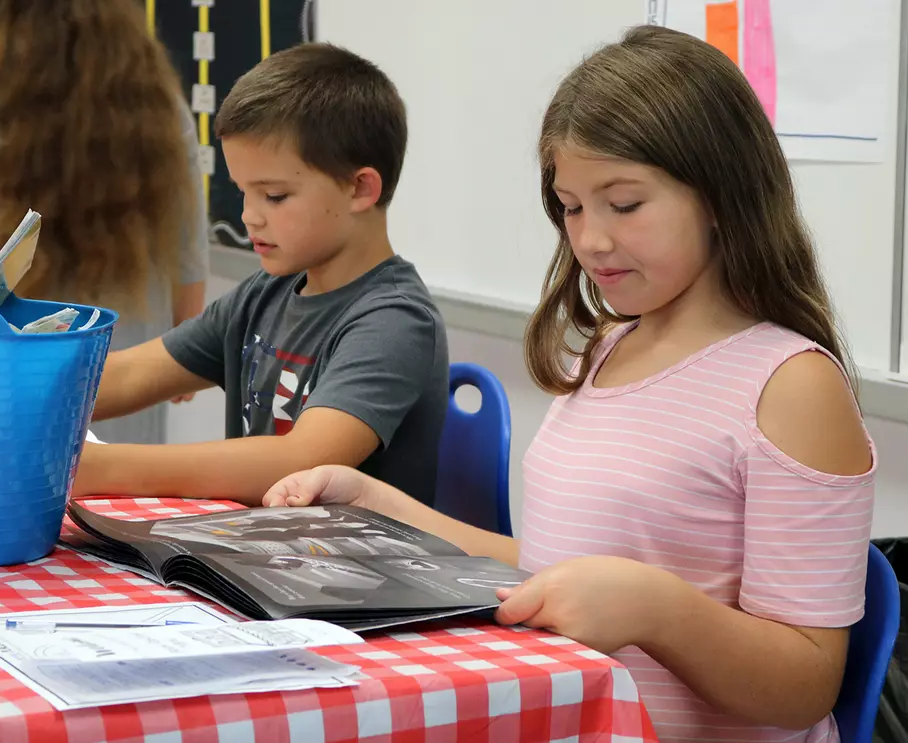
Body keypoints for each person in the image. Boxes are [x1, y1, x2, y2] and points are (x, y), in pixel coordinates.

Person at [263, 26, 875, 743]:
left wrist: (654, 607)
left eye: (625, 204)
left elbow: (804, 684)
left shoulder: (791, 383)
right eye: (572, 206)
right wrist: (373, 502)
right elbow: (546, 568)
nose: (590, 240)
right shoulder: (609, 348)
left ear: (719, 194)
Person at [74, 43, 449, 507]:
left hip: (346, 573)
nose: (250, 217)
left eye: (273, 196)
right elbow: (129, 376)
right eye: (243, 193)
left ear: (360, 188)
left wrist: (98, 468)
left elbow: (300, 460)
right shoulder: (264, 294)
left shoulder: (395, 321)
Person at [0, 0, 209, 445]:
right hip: (120, 310)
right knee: (113, 484)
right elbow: (186, 235)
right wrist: (189, 346)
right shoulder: (153, 95)